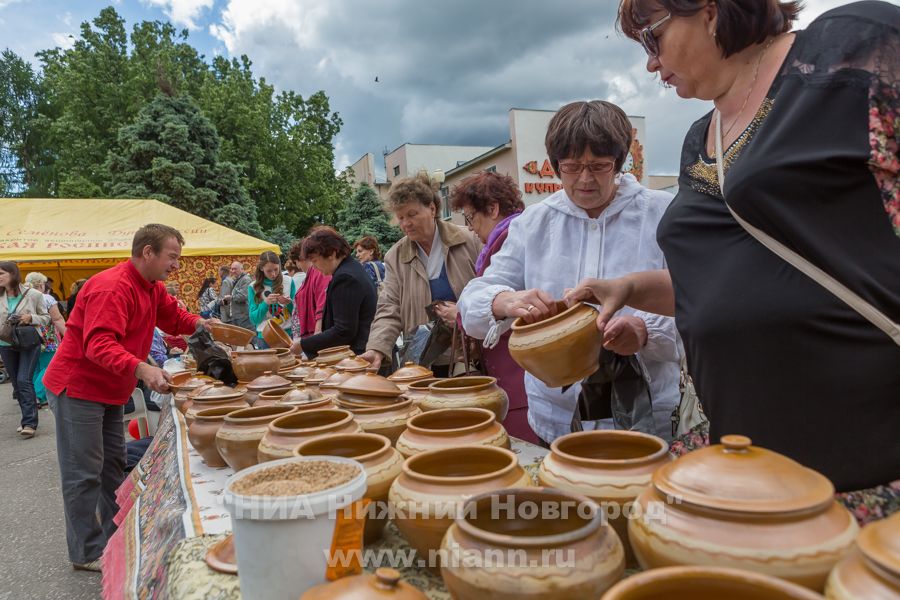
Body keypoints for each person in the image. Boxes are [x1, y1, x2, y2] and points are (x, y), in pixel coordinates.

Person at [565, 1, 900, 501]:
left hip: (862, 457)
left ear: (711, 9)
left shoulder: (851, 50)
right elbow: (724, 283)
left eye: (652, 37)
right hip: (745, 452)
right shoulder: (701, 137)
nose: (650, 63)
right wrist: (630, 287)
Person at [458, 100, 681, 444]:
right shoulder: (534, 222)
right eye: (572, 167)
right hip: (556, 422)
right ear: (555, 165)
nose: (585, 179)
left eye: (600, 166)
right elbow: (472, 301)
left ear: (620, 162)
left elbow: (698, 303)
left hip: (649, 420)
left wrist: (644, 331)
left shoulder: (661, 213)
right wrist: (505, 300)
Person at [43, 224, 216, 571]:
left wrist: (202, 324)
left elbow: (174, 317)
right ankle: (86, 551)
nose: (176, 266)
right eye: (172, 257)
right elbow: (98, 345)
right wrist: (142, 369)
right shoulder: (113, 287)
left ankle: (113, 537)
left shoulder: (151, 287)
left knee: (111, 465)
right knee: (83, 473)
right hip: (77, 387)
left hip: (108, 388)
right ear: (148, 252)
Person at [442, 172, 539, 443]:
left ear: (493, 209)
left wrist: (461, 313)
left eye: (471, 217)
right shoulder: (505, 238)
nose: (471, 228)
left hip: (518, 373)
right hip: (515, 371)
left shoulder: (510, 239)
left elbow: (513, 304)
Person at [360, 173, 481, 377]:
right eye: (401, 218)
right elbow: (389, 306)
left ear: (432, 208)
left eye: (412, 214)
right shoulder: (395, 257)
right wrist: (377, 347)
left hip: (471, 356)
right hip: (422, 365)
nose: (406, 223)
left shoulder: (470, 241)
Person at [289, 227, 377, 358]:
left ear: (332, 253)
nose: (314, 266)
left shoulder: (345, 278)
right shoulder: (350, 269)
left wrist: (303, 344)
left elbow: (343, 331)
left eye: (315, 260)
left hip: (359, 359)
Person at [0, 261, 50, 438]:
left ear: (13, 274)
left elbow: (46, 318)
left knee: (23, 380)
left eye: (1, 273)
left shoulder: (34, 295)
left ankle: (29, 422)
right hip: (5, 344)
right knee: (16, 383)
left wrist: (31, 317)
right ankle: (25, 418)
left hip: (29, 342)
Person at [24, 271, 67, 408]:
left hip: (28, 337)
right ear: (41, 285)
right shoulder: (46, 298)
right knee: (48, 366)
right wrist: (68, 334)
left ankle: (29, 397)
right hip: (47, 338)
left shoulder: (22, 296)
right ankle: (37, 396)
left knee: (35, 368)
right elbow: (57, 319)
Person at [248, 251, 296, 347]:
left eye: (276, 269)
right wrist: (265, 303)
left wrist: (288, 303)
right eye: (269, 271)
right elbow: (254, 319)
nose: (273, 274)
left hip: (287, 334)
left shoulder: (289, 281)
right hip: (265, 337)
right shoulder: (253, 287)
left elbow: (297, 312)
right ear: (261, 268)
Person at [289, 238, 332, 342]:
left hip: (315, 334)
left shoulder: (318, 272)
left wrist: (317, 333)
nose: (298, 266)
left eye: (296, 262)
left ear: (301, 259)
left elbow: (322, 301)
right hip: (309, 335)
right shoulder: (310, 275)